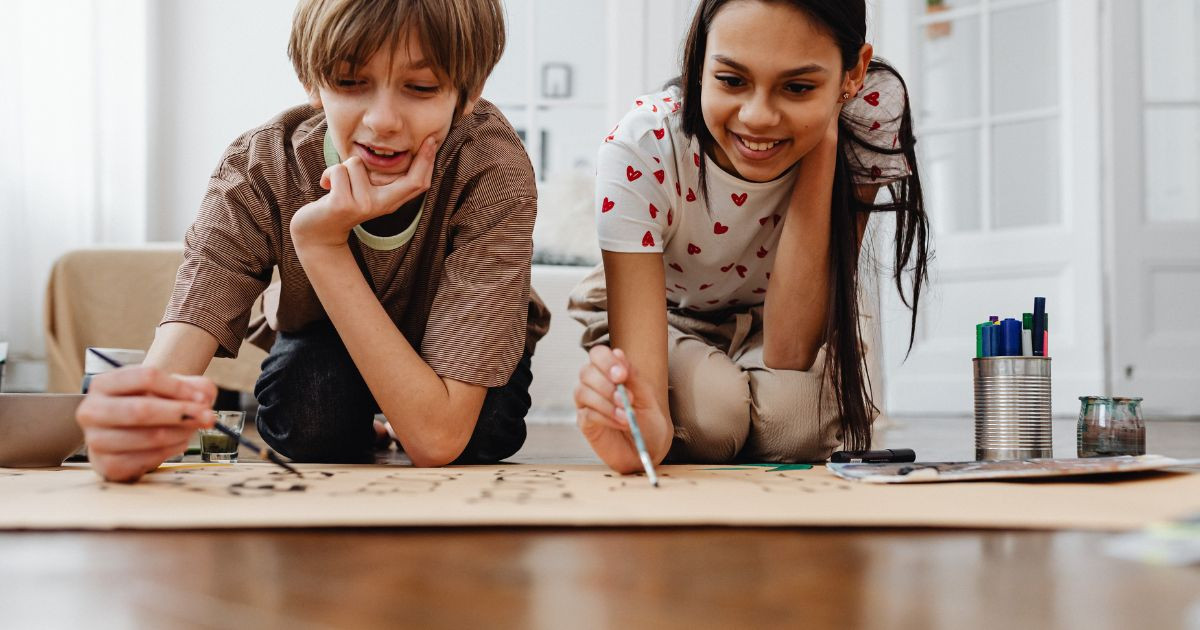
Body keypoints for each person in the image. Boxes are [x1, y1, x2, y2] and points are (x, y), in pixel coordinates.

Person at [76, 0, 548, 482]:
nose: (383, 121)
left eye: (421, 88)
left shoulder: (493, 170)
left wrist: (322, 246)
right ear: (313, 82)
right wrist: (135, 424)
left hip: (464, 351)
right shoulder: (262, 166)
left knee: (483, 435)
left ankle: (398, 417)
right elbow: (177, 353)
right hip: (329, 339)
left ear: (469, 92)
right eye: (350, 81)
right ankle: (382, 426)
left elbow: (438, 441)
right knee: (308, 415)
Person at [570, 0, 930, 472]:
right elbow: (650, 420)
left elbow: (789, 349)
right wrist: (647, 433)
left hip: (776, 315)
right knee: (713, 423)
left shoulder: (867, 111)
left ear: (853, 72)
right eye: (732, 80)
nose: (758, 117)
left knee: (796, 429)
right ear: (700, 59)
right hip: (668, 311)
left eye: (799, 87)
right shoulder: (642, 146)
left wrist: (826, 135)